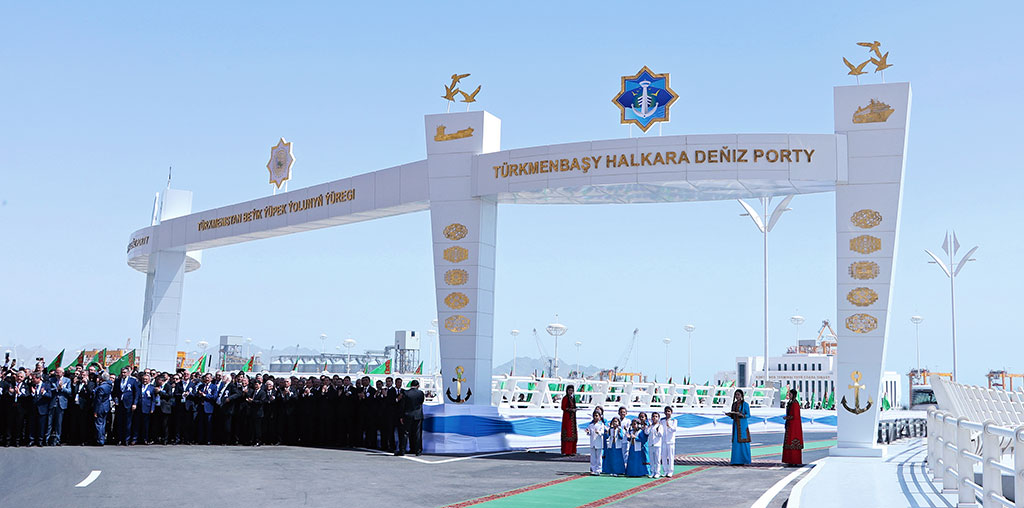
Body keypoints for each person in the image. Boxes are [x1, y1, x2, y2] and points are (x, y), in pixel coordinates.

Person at [112, 367, 139, 445]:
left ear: (128, 373)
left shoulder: (133, 381)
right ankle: (119, 439)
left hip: (129, 404)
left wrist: (134, 403)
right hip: (119, 404)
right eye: (122, 372)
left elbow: (136, 393)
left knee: (128, 423)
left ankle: (126, 439)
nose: (123, 374)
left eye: (124, 372)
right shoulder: (117, 381)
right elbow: (114, 393)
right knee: (119, 422)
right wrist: (115, 400)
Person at [396, 379, 424, 456]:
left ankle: (402, 450)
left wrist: (401, 416)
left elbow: (402, 405)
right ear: (418, 386)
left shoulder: (406, 393)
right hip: (418, 415)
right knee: (417, 434)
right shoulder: (421, 393)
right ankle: (418, 450)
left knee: (405, 433)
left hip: (407, 415)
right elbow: (421, 402)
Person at [47, 367, 72, 446]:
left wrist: (62, 388)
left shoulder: (67, 380)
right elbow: (49, 389)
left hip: (61, 404)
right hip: (52, 403)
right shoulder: (51, 380)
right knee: (49, 422)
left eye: (58, 372)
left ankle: (58, 439)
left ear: (62, 373)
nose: (56, 374)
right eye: (56, 372)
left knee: (59, 423)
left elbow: (69, 391)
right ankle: (47, 439)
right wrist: (56, 388)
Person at [728, 390, 752, 465]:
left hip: (743, 425)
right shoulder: (734, 404)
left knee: (743, 442)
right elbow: (733, 415)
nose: (737, 396)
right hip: (735, 425)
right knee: (736, 442)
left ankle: (744, 460)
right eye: (736, 395)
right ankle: (736, 461)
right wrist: (730, 415)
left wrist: (743, 415)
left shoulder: (745, 404)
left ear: (741, 395)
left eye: (738, 395)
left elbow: (748, 415)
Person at [29, 372, 52, 447]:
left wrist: (44, 393)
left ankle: (40, 440)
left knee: (41, 426)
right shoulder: (32, 385)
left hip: (42, 409)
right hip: (33, 408)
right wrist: (32, 393)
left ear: (39, 378)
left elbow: (50, 395)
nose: (33, 380)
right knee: (32, 425)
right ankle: (31, 440)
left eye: (34, 379)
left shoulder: (46, 385)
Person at [782, 389, 804, 466]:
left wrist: (787, 417)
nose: (789, 395)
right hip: (790, 425)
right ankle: (789, 460)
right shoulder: (790, 403)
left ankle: (794, 461)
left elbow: (795, 416)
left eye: (790, 394)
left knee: (793, 441)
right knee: (788, 441)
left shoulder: (795, 404)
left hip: (794, 426)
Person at [93, 372, 112, 446]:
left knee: (99, 424)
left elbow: (98, 400)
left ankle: (100, 440)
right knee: (103, 423)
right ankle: (102, 438)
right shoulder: (109, 385)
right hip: (106, 406)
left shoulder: (101, 387)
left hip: (100, 407)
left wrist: (95, 411)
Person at [584, 410, 605, 475]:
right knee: (593, 457)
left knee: (599, 457)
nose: (595, 417)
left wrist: (598, 432)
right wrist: (588, 432)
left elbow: (602, 433)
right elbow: (590, 433)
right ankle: (593, 469)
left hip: (599, 443)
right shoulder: (591, 425)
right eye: (594, 416)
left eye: (597, 416)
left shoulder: (601, 424)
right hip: (592, 443)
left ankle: (598, 469)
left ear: (600, 417)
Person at [560, 385, 578, 456]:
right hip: (567, 417)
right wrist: (571, 410)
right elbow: (563, 407)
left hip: (572, 417)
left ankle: (572, 450)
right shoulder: (565, 398)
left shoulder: (572, 398)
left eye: (572, 390)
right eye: (569, 390)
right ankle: (567, 451)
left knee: (573, 433)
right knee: (568, 433)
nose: (570, 392)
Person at [660, 406, 677, 477]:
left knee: (670, 457)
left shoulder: (674, 420)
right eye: (666, 411)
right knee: (663, 457)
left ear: (671, 412)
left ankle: (670, 471)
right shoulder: (662, 420)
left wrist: (668, 426)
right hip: (663, 441)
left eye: (669, 411)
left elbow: (674, 429)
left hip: (670, 441)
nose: (667, 413)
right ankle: (665, 471)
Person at [647, 411, 664, 478]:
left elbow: (661, 435)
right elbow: (646, 432)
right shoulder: (651, 426)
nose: (654, 418)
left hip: (657, 445)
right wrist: (649, 426)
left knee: (657, 460)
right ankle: (652, 472)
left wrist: (657, 430)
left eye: (656, 417)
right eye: (653, 416)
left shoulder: (660, 426)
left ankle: (657, 472)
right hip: (651, 444)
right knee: (651, 460)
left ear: (658, 418)